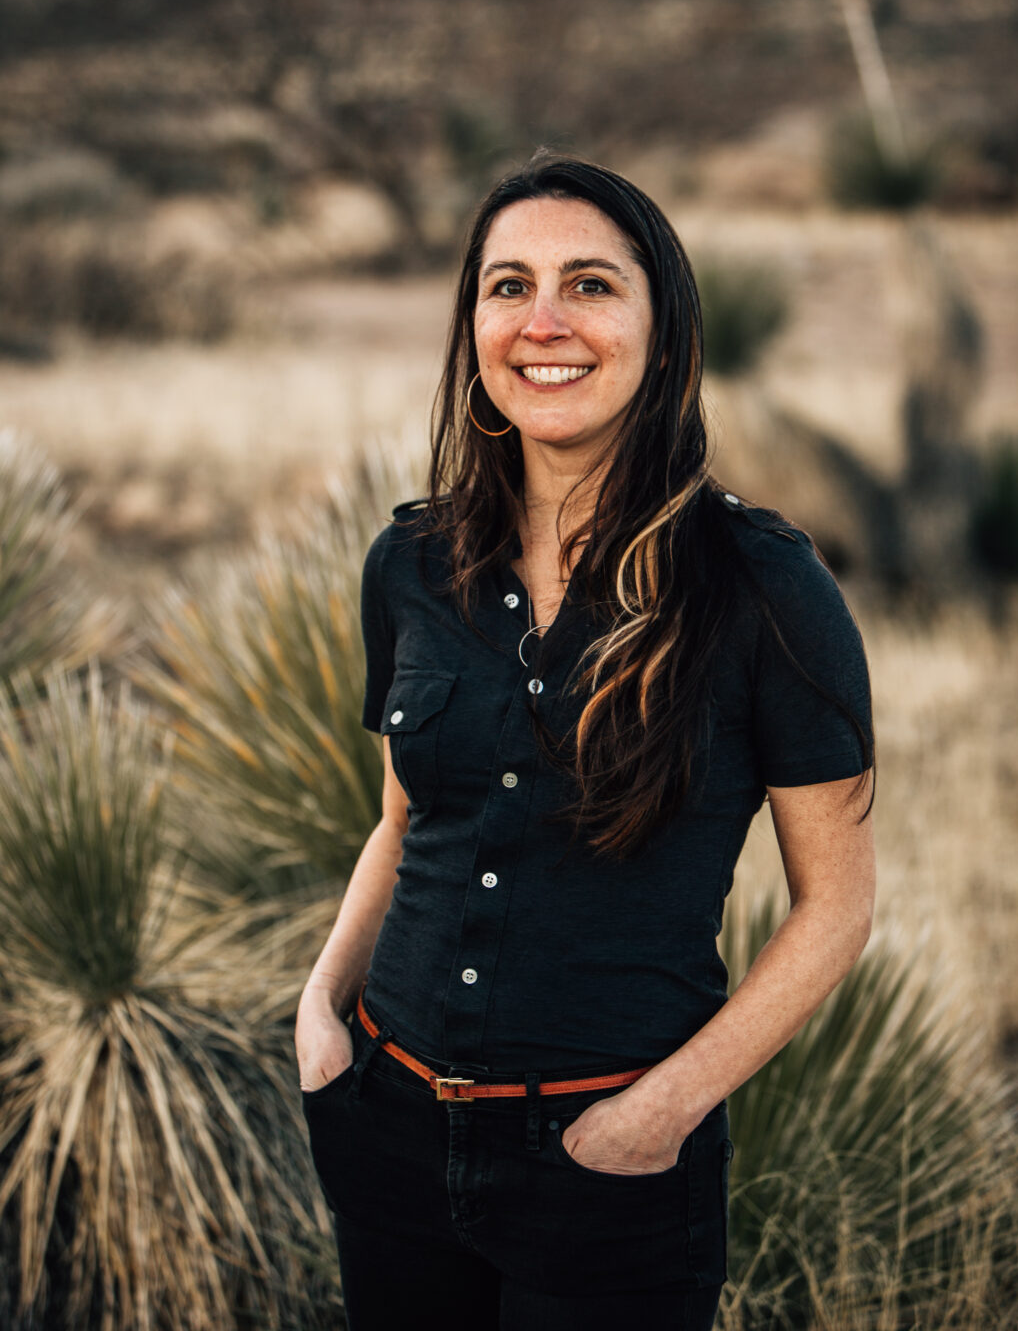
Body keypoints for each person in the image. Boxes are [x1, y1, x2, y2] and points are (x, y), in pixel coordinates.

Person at [295, 154, 875, 1331]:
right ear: (472, 329)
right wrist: (320, 1015)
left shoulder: (762, 585)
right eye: (508, 287)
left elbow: (837, 906)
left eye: (591, 286)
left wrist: (656, 1116)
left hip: (607, 1169)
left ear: (662, 334)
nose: (543, 321)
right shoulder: (409, 564)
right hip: (390, 1129)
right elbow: (405, 820)